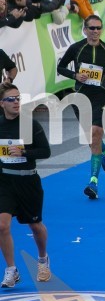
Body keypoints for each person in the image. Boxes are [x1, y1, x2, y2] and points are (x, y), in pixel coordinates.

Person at [56, 15, 105, 200]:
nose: (95, 31)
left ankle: (93, 182)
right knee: (91, 138)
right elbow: (60, 68)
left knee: (94, 133)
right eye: (91, 28)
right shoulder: (76, 48)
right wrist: (75, 76)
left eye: (98, 28)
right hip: (81, 96)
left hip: (101, 96)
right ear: (85, 29)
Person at [0, 84, 51, 287]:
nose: (16, 102)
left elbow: (45, 152)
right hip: (4, 182)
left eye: (18, 98)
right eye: (11, 99)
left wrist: (24, 153)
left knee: (35, 225)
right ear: (1, 103)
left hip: (28, 180)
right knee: (2, 225)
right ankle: (11, 270)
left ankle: (42, 260)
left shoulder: (30, 125)